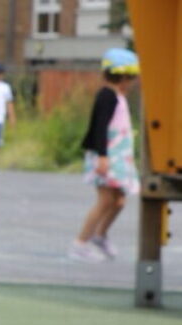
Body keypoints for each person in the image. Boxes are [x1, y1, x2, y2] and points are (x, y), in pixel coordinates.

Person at [70, 48, 140, 262]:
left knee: (119, 201)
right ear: (124, 77)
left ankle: (100, 235)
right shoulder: (107, 96)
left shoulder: (118, 97)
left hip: (118, 158)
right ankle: (80, 243)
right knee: (105, 200)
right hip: (107, 157)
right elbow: (100, 127)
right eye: (132, 78)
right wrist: (102, 156)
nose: (133, 82)